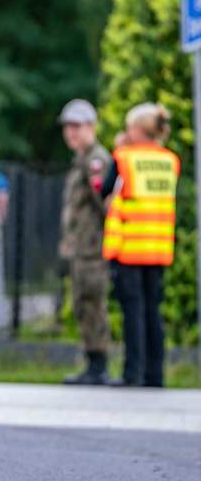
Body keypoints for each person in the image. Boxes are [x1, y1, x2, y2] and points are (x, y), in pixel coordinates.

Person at [102, 103, 179, 387]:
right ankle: (155, 375)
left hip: (129, 248)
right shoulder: (170, 160)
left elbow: (105, 190)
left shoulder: (125, 157)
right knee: (153, 312)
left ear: (136, 130)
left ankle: (132, 373)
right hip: (158, 248)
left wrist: (120, 149)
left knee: (133, 313)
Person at [57, 98, 113, 385]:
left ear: (91, 126)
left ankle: (98, 366)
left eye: (78, 126)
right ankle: (93, 364)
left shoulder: (95, 161)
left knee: (92, 303)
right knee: (83, 303)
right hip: (82, 248)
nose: (72, 133)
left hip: (93, 249)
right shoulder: (81, 161)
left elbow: (105, 204)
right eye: (68, 127)